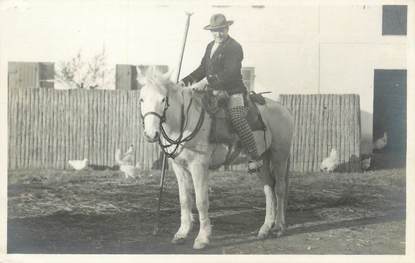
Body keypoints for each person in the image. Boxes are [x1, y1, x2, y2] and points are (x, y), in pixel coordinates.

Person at [179, 13, 263, 173]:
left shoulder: (235, 47)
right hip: (212, 91)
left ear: (227, 28)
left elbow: (230, 73)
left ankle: (254, 157)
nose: (218, 34)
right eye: (215, 31)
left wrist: (206, 82)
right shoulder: (210, 46)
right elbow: (202, 69)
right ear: (211, 31)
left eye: (221, 30)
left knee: (237, 117)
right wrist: (184, 81)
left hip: (233, 91)